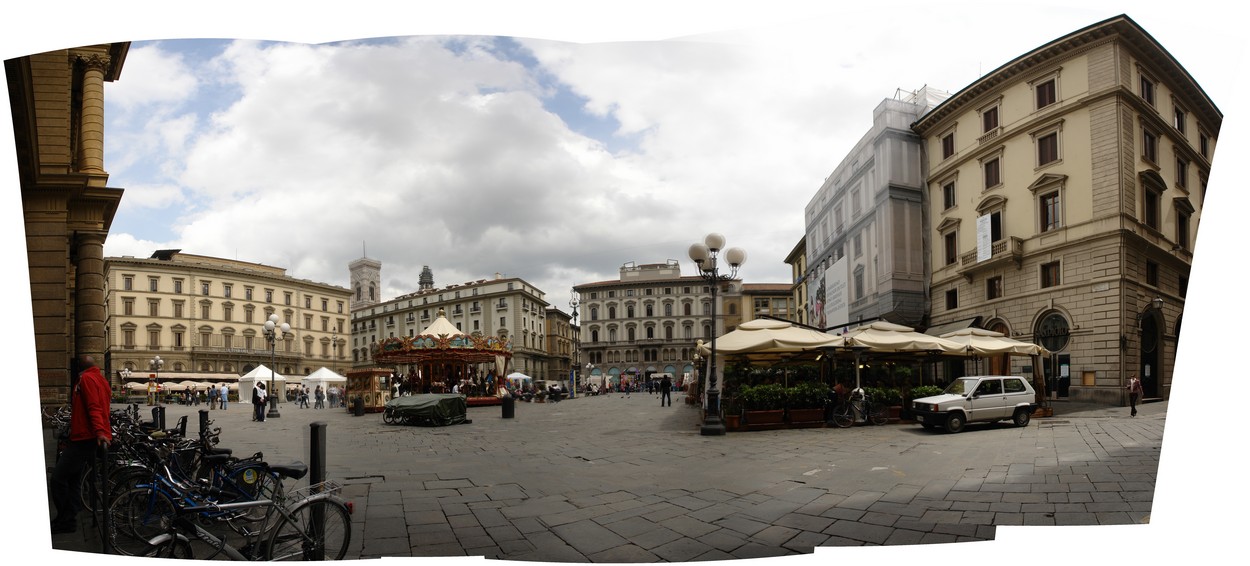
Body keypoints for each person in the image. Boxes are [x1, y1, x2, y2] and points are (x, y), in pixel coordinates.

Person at [50, 355, 112, 534]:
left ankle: (66, 519)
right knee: (74, 479)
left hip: (84, 437)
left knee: (58, 479)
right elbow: (103, 407)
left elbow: (94, 406)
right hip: (88, 436)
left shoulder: (86, 379)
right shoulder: (101, 379)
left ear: (79, 366)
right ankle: (70, 515)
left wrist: (99, 432)